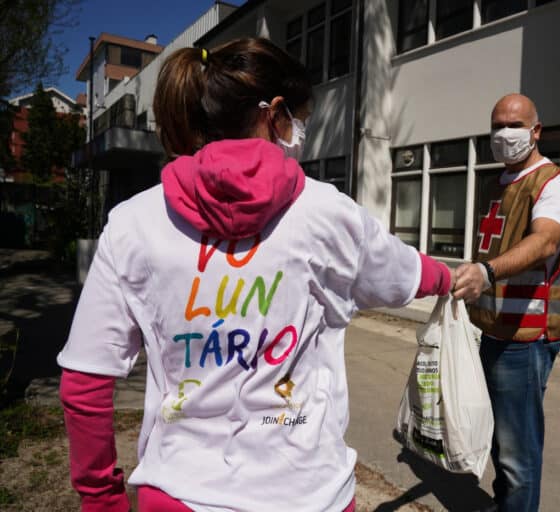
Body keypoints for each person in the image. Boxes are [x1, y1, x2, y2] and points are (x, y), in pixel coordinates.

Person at [57, 38, 454, 512]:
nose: (300, 131)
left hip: (180, 494)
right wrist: (452, 278)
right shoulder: (327, 213)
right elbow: (407, 273)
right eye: (299, 118)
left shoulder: (134, 222)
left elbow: (86, 379)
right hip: (307, 495)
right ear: (275, 113)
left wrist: (102, 501)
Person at [452, 93, 560, 511]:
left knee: (518, 453)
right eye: (497, 125)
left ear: (536, 131)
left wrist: (487, 272)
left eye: (514, 125)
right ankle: (506, 504)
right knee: (499, 439)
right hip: (492, 332)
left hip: (526, 339)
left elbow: (545, 241)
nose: (503, 134)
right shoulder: (498, 184)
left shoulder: (554, 183)